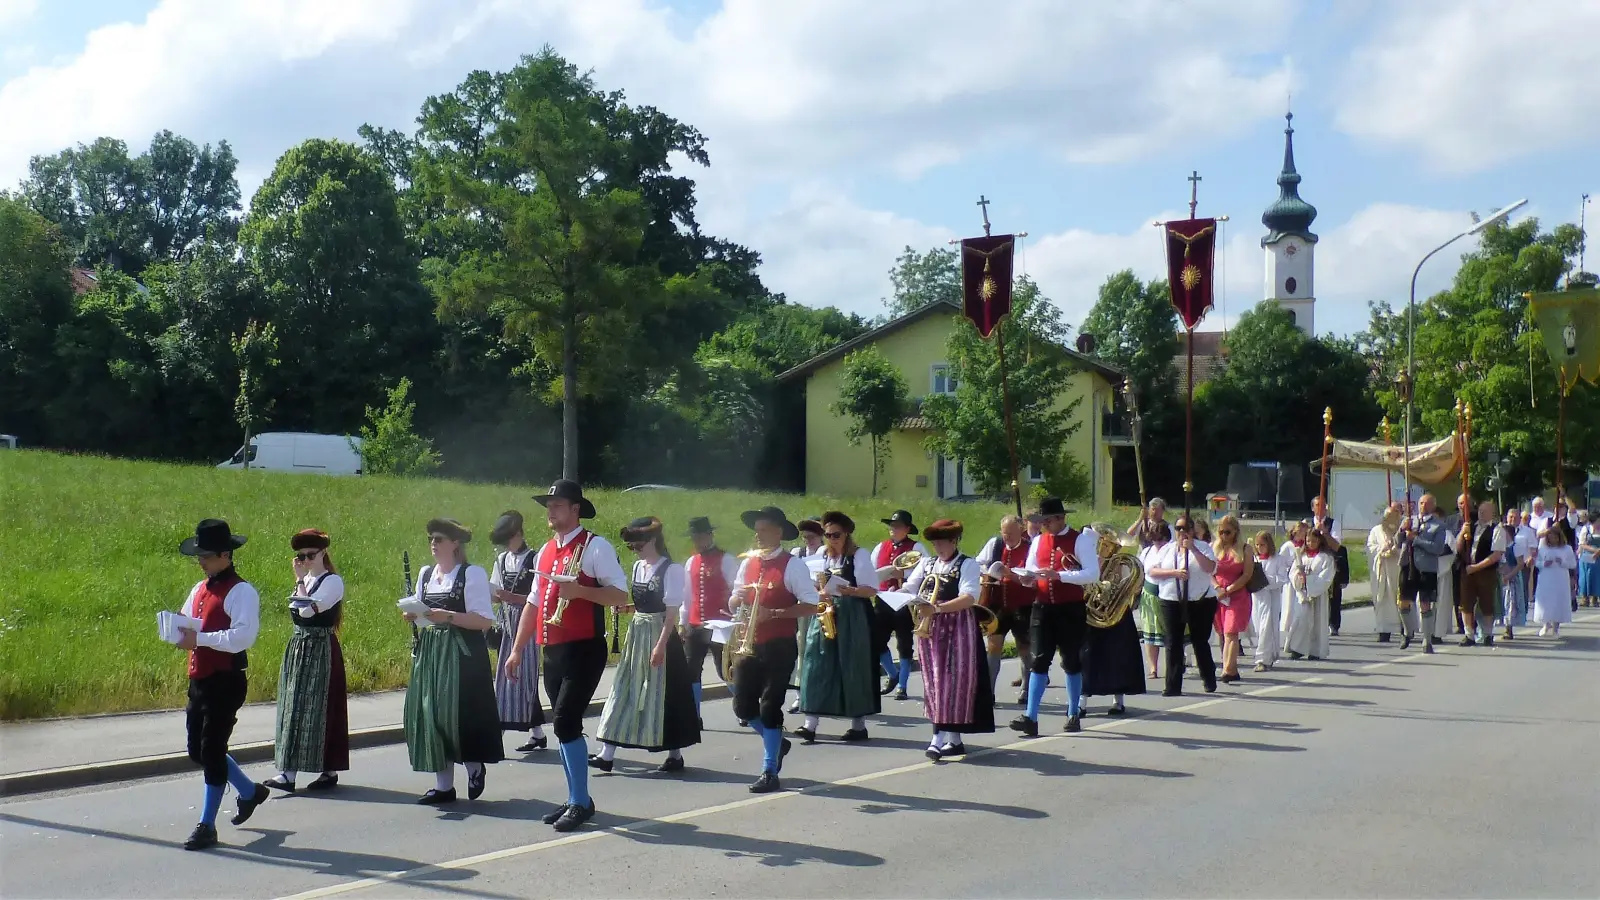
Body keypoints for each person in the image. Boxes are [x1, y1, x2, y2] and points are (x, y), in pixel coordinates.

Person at [505, 480, 630, 832]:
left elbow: (619, 594)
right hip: (553, 650)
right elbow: (533, 603)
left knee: (564, 722)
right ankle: (577, 796)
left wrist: (581, 591)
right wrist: (517, 649)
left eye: (557, 505)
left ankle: (580, 802)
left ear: (575, 509)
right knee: (563, 728)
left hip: (584, 648)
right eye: (549, 505)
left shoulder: (595, 546)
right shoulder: (545, 551)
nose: (550, 511)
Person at [172, 519, 266, 851]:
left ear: (225, 555)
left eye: (207, 555)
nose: (201, 560)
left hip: (226, 680)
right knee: (198, 750)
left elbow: (243, 636)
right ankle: (251, 792)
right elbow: (187, 624)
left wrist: (201, 639)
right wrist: (178, 633)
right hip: (199, 679)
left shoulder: (242, 591)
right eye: (200, 554)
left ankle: (206, 825)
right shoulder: (199, 588)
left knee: (212, 750)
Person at [400, 518, 503, 805]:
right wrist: (414, 615)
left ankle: (473, 765)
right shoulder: (425, 574)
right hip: (431, 652)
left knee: (459, 716)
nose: (433, 543)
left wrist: (447, 615)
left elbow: (483, 620)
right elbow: (424, 616)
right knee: (430, 714)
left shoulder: (472, 575)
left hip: (462, 654)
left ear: (455, 543)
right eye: (432, 539)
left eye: (439, 539)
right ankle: (443, 786)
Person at [591, 517, 700, 773]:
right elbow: (645, 604)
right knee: (625, 687)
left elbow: (671, 612)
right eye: (631, 547)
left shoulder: (671, 570)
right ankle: (606, 753)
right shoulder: (639, 567)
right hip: (638, 634)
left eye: (637, 545)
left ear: (652, 540)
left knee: (664, 693)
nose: (634, 550)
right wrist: (629, 608)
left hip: (660, 635)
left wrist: (660, 645)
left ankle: (675, 753)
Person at [729, 506, 820, 793]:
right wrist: (737, 597)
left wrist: (777, 613)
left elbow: (811, 604)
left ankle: (769, 770)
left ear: (778, 532)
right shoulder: (748, 563)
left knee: (770, 706)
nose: (758, 535)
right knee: (742, 706)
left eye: (764, 530)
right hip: (750, 640)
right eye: (756, 531)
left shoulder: (792, 565)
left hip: (780, 644)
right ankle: (779, 742)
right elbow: (733, 602)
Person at [264, 529, 348, 795]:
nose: (306, 560)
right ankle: (288, 772)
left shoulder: (332, 582)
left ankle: (326, 769)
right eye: (301, 556)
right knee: (293, 706)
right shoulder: (307, 580)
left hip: (321, 648)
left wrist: (299, 581)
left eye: (311, 555)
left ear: (323, 553)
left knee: (320, 709)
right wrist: (301, 580)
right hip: (299, 646)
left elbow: (306, 610)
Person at [903, 519, 994, 758]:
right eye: (934, 543)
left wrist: (938, 609)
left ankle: (937, 738)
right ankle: (953, 740)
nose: (938, 547)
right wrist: (895, 594)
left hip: (957, 628)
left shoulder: (968, 564)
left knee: (953, 682)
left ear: (954, 541)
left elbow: (969, 597)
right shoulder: (927, 562)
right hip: (930, 628)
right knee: (934, 681)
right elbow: (911, 587)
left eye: (942, 542)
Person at [1010, 497, 1100, 735]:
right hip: (1042, 607)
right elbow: (1031, 570)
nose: (1043, 525)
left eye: (1047, 521)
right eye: (1042, 521)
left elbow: (1092, 574)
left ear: (1061, 518)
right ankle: (1030, 716)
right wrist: (1027, 579)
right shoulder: (1038, 540)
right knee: (1038, 660)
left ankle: (1073, 713)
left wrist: (1060, 576)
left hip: (1070, 608)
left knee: (1071, 661)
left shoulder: (1079, 540)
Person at [796, 511, 880, 743]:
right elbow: (813, 581)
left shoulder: (859, 555)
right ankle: (810, 724)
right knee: (815, 661)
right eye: (827, 535)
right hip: (826, 611)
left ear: (846, 535)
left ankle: (858, 725)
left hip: (853, 614)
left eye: (836, 535)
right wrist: (819, 592)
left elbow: (871, 589)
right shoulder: (822, 554)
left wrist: (849, 590)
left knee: (853, 665)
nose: (831, 539)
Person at [488, 512, 548, 752]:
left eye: (509, 538)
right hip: (506, 623)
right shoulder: (501, 559)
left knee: (525, 677)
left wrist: (513, 597)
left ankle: (499, 732)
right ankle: (537, 733)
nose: (506, 545)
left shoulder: (534, 559)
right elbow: (494, 593)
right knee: (507, 677)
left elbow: (540, 598)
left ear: (520, 534)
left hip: (527, 622)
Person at [1146, 515, 1218, 695]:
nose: (1181, 532)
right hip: (1171, 599)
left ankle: (1208, 678)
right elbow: (1152, 571)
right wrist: (1174, 573)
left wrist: (1193, 549)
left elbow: (1210, 568)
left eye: (1185, 528)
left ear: (1192, 530)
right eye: (1178, 528)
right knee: (1172, 642)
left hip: (1200, 600)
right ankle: (1172, 685)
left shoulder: (1203, 547)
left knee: (1200, 641)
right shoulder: (1167, 549)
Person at [1079, 524, 1146, 715]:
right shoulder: (1086, 559)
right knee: (1087, 657)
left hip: (1116, 615)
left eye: (1107, 543)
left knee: (1118, 656)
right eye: (1102, 542)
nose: (1104, 546)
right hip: (1092, 614)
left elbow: (1128, 589)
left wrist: (1110, 585)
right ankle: (1081, 701)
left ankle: (1118, 700)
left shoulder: (1121, 564)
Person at [976, 515, 1035, 701]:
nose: (1006, 536)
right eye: (1004, 532)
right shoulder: (995, 544)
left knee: (1024, 647)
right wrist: (987, 573)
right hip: (998, 604)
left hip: (1023, 605)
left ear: (1021, 530)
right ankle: (989, 692)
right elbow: (977, 564)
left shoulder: (1031, 547)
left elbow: (1033, 579)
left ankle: (1026, 688)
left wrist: (1011, 575)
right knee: (993, 646)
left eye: (1010, 532)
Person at [682, 516, 737, 718]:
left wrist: (734, 619)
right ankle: (694, 716)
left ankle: (744, 708)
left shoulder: (726, 559)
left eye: (701, 536)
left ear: (710, 535)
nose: (697, 541)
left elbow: (736, 591)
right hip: (696, 624)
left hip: (720, 625)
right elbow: (687, 595)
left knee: (725, 670)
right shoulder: (691, 561)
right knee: (691, 670)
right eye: (694, 537)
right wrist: (683, 622)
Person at [872, 510, 926, 700]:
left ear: (907, 529)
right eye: (892, 526)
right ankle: (892, 674)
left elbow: (924, 571)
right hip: (883, 598)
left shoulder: (917, 547)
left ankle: (902, 685)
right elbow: (872, 573)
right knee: (876, 640)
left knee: (904, 642)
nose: (893, 529)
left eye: (898, 526)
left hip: (904, 601)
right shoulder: (881, 547)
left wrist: (903, 576)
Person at [1399, 493, 1450, 653]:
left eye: (1427, 504)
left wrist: (1417, 540)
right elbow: (1398, 541)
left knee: (1426, 604)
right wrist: (1402, 530)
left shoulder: (1439, 525)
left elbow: (1438, 548)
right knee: (1403, 601)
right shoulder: (1409, 521)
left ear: (1433, 506)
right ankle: (1408, 632)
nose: (1423, 506)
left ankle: (1427, 640)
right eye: (1421, 503)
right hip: (1408, 565)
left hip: (1426, 568)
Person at [788, 517, 826, 713]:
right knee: (800, 649)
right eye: (806, 537)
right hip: (801, 605)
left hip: (819, 606)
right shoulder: (797, 553)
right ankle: (800, 694)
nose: (808, 541)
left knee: (818, 649)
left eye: (812, 537)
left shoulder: (824, 553)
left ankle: (819, 692)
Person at [1211, 515, 1254, 683]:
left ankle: (1227, 669)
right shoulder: (1214, 548)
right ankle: (1232, 669)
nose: (1224, 535)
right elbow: (1209, 572)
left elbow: (1247, 574)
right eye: (1221, 532)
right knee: (1222, 632)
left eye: (1228, 532)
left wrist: (1228, 589)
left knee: (1231, 632)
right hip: (1219, 595)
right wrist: (1217, 588)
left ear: (1236, 531)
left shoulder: (1245, 549)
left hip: (1237, 595)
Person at [1457, 499, 1505, 647]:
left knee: (1486, 603)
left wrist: (1476, 567)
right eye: (1480, 511)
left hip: (1485, 572)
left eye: (1485, 511)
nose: (1481, 513)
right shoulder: (1470, 527)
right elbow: (1457, 548)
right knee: (1466, 602)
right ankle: (1469, 634)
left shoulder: (1497, 529)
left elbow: (1496, 555)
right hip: (1467, 570)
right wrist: (1461, 533)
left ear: (1492, 513)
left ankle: (1488, 634)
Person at [1284, 527, 1336, 661]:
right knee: (1301, 620)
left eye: (1314, 541)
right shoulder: (1301, 556)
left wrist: (1309, 580)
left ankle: (1315, 650)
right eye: (1308, 541)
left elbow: (1326, 578)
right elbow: (1292, 573)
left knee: (1317, 623)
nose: (1310, 543)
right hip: (1303, 595)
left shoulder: (1325, 558)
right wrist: (1298, 579)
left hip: (1317, 596)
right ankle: (1297, 648)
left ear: (1319, 541)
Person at [1136, 523, 1174, 677]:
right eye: (1155, 539)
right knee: (1150, 632)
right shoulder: (1146, 552)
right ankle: (1153, 668)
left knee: (1170, 633)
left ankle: (1173, 665)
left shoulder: (1172, 550)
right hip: (1149, 594)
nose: (1158, 542)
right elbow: (1141, 571)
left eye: (1161, 539)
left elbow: (1159, 571)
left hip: (1168, 594)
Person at [1367, 504, 1404, 643]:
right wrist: (1383, 547)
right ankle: (1384, 630)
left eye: (1394, 515)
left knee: (1399, 598)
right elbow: (1370, 548)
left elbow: (1407, 547)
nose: (1390, 519)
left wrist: (1396, 549)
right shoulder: (1376, 531)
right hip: (1382, 569)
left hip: (1397, 569)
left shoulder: (1402, 530)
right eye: (1388, 516)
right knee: (1382, 600)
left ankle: (1403, 629)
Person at [1250, 531, 1286, 672]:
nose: (1260, 548)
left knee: (1267, 628)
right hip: (1257, 597)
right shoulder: (1254, 559)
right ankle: (1269, 655)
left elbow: (1282, 578)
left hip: (1271, 597)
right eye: (1257, 545)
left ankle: (1262, 660)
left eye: (1262, 544)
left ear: (1269, 544)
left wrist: (1265, 581)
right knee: (1259, 628)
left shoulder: (1277, 559)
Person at [1309, 496, 1345, 636]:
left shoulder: (1333, 524)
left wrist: (1324, 532)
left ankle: (1333, 623)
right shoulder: (1306, 522)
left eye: (1323, 505)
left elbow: (1336, 546)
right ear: (1313, 508)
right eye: (1317, 505)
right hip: (1311, 562)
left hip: (1329, 562)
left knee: (1333, 594)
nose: (1321, 508)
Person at [1532, 525, 1577, 636]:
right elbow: (1537, 563)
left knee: (1558, 600)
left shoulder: (1567, 549)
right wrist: (1544, 564)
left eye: (1554, 537)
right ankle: (1546, 624)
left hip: (1560, 578)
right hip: (1546, 578)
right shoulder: (1543, 549)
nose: (1552, 540)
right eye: (1550, 537)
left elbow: (1573, 564)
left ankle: (1556, 627)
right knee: (1546, 600)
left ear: (1559, 537)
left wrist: (1562, 562)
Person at [1498, 509, 1528, 640]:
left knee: (1511, 603)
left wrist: (1509, 576)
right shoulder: (1499, 547)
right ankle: (1502, 625)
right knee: (1502, 602)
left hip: (1512, 579)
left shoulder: (1516, 546)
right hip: (1502, 578)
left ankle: (1508, 628)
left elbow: (1520, 564)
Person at [1577, 512, 1600, 608]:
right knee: (1585, 577)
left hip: (1598, 558)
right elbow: (1582, 544)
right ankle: (1584, 597)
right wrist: (1594, 550)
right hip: (1587, 557)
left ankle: (1594, 598)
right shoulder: (1585, 529)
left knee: (1596, 577)